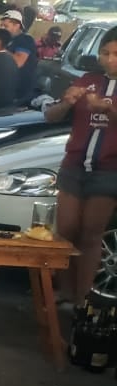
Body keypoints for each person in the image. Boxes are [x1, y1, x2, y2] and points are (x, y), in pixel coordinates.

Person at [45, 26, 117, 311]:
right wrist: (67, 102)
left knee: (91, 233)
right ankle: (64, 292)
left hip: (109, 171)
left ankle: (82, 300)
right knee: (66, 230)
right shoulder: (88, 80)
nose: (110, 59)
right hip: (74, 166)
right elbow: (51, 115)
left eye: (116, 54)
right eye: (105, 53)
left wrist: (108, 108)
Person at [1, 9, 38, 104]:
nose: (2, 28)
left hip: (21, 91)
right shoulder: (9, 42)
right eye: (1, 25)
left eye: (6, 26)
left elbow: (18, 62)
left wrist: (0, 50)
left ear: (17, 26)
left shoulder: (25, 40)